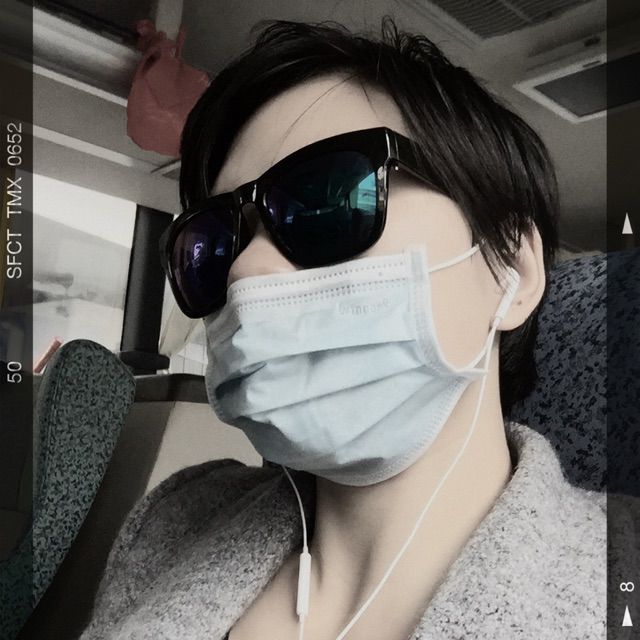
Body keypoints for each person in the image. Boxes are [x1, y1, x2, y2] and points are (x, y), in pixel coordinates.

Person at [80, 18, 605, 640]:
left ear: (511, 269)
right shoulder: (171, 519)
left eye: (324, 203)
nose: (244, 271)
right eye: (214, 244)